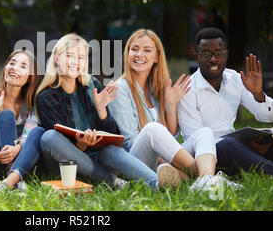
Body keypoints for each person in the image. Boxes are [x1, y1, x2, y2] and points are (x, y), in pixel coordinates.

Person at [35, 33, 181, 190]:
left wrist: (101, 110)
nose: (75, 62)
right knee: (49, 137)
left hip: (97, 158)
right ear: (56, 58)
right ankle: (113, 182)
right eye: (70, 56)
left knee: (112, 150)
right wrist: (81, 145)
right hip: (67, 166)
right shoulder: (46, 97)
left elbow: (113, 134)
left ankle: (157, 184)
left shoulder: (92, 85)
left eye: (81, 58)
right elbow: (60, 146)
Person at [108, 29, 236, 191]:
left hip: (161, 159)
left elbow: (170, 134)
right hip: (136, 161)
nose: (139, 54)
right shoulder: (121, 89)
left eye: (147, 50)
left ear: (156, 57)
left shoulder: (155, 88)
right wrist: (168, 158)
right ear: (127, 54)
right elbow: (130, 141)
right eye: (134, 49)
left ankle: (204, 181)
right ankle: (208, 177)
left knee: (204, 132)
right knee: (152, 129)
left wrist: (171, 105)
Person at [177, 27, 273, 177]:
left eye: (219, 53)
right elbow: (195, 138)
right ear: (197, 57)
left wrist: (258, 93)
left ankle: (257, 161)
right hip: (209, 157)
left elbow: (267, 117)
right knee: (229, 145)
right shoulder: (187, 89)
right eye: (206, 54)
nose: (213, 59)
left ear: (226, 55)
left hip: (238, 149)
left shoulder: (236, 79)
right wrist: (242, 146)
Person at [0, 49, 45, 192]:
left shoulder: (32, 103)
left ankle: (9, 181)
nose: (14, 68)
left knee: (39, 131)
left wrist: (18, 148)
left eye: (23, 66)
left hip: (22, 156)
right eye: (12, 63)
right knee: (6, 115)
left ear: (30, 77)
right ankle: (14, 179)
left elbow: (29, 135)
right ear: (5, 68)